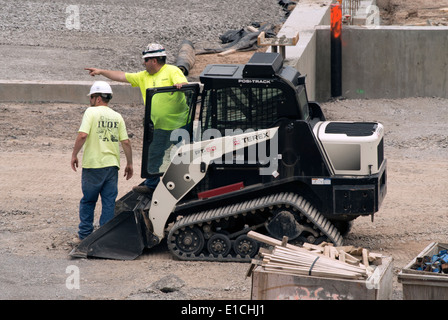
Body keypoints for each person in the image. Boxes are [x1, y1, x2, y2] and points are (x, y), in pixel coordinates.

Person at [85, 43, 188, 196]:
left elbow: (184, 83)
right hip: (159, 126)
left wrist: (181, 85)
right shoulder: (143, 76)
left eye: (145, 61)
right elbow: (121, 76)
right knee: (153, 156)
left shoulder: (172, 71)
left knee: (184, 157)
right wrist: (101, 72)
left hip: (180, 125)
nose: (143, 64)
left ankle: (186, 186)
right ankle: (152, 185)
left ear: (153, 60)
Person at [71, 81, 133, 241]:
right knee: (108, 202)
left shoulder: (90, 113)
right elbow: (125, 142)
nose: (90, 100)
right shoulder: (117, 116)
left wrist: (74, 154)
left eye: (91, 97)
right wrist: (129, 163)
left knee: (88, 201)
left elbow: (83, 135)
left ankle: (85, 236)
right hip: (112, 166)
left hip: (93, 165)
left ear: (98, 98)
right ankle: (104, 238)